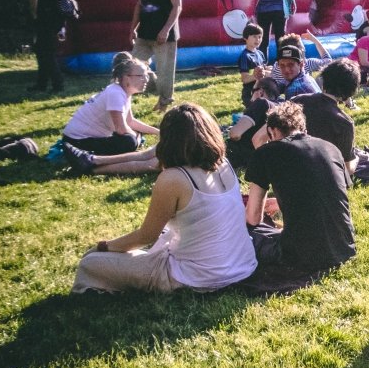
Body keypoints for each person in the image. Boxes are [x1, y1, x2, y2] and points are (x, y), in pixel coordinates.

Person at [72, 103, 257, 293]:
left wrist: (104, 246)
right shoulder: (224, 164)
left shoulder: (173, 178)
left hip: (199, 276)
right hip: (243, 265)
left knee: (90, 262)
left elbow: (146, 236)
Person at [245, 101, 356, 273]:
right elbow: (324, 194)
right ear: (303, 129)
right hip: (343, 247)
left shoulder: (265, 153)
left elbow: (253, 218)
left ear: (272, 132)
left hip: (300, 256)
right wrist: (280, 202)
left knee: (244, 231)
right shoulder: (330, 148)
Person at [60, 57, 161, 176]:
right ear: (126, 77)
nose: (146, 79)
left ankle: (94, 160)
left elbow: (130, 121)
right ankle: (90, 160)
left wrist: (159, 132)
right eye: (141, 76)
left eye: (147, 75)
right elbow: (121, 129)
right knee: (129, 142)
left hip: (79, 139)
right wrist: (136, 138)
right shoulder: (115, 93)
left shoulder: (122, 91)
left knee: (133, 137)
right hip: (77, 142)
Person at [130, 0, 182, 113]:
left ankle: (164, 102)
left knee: (165, 71)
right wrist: (133, 28)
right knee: (133, 65)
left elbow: (177, 6)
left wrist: (165, 30)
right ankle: (151, 86)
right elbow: (139, 4)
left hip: (164, 34)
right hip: (144, 32)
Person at [20, 0, 71, 93]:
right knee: (46, 49)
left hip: (44, 16)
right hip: (57, 15)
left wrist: (34, 13)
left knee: (44, 52)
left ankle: (57, 84)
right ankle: (41, 84)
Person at [227, 76, 279, 169]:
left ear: (260, 92)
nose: (251, 97)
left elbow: (235, 134)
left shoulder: (261, 103)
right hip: (265, 158)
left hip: (242, 157)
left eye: (253, 91)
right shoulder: (280, 106)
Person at [237, 23, 266, 106]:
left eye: (260, 37)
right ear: (245, 38)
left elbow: (264, 69)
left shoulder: (260, 53)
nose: (257, 40)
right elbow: (244, 79)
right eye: (254, 36)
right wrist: (256, 75)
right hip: (250, 93)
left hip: (262, 90)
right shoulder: (245, 56)